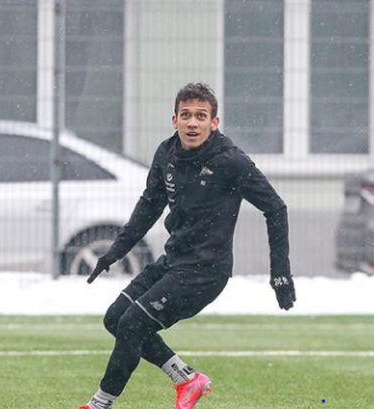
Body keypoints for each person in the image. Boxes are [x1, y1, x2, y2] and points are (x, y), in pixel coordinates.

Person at [77, 83, 296, 409]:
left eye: (201, 116)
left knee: (133, 324)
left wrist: (280, 273)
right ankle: (187, 379)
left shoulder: (231, 162)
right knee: (115, 319)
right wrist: (116, 251)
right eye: (186, 115)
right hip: (174, 261)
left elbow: (275, 208)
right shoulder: (166, 153)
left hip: (206, 271)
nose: (193, 123)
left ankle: (100, 404)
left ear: (214, 122)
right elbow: (149, 206)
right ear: (174, 119)